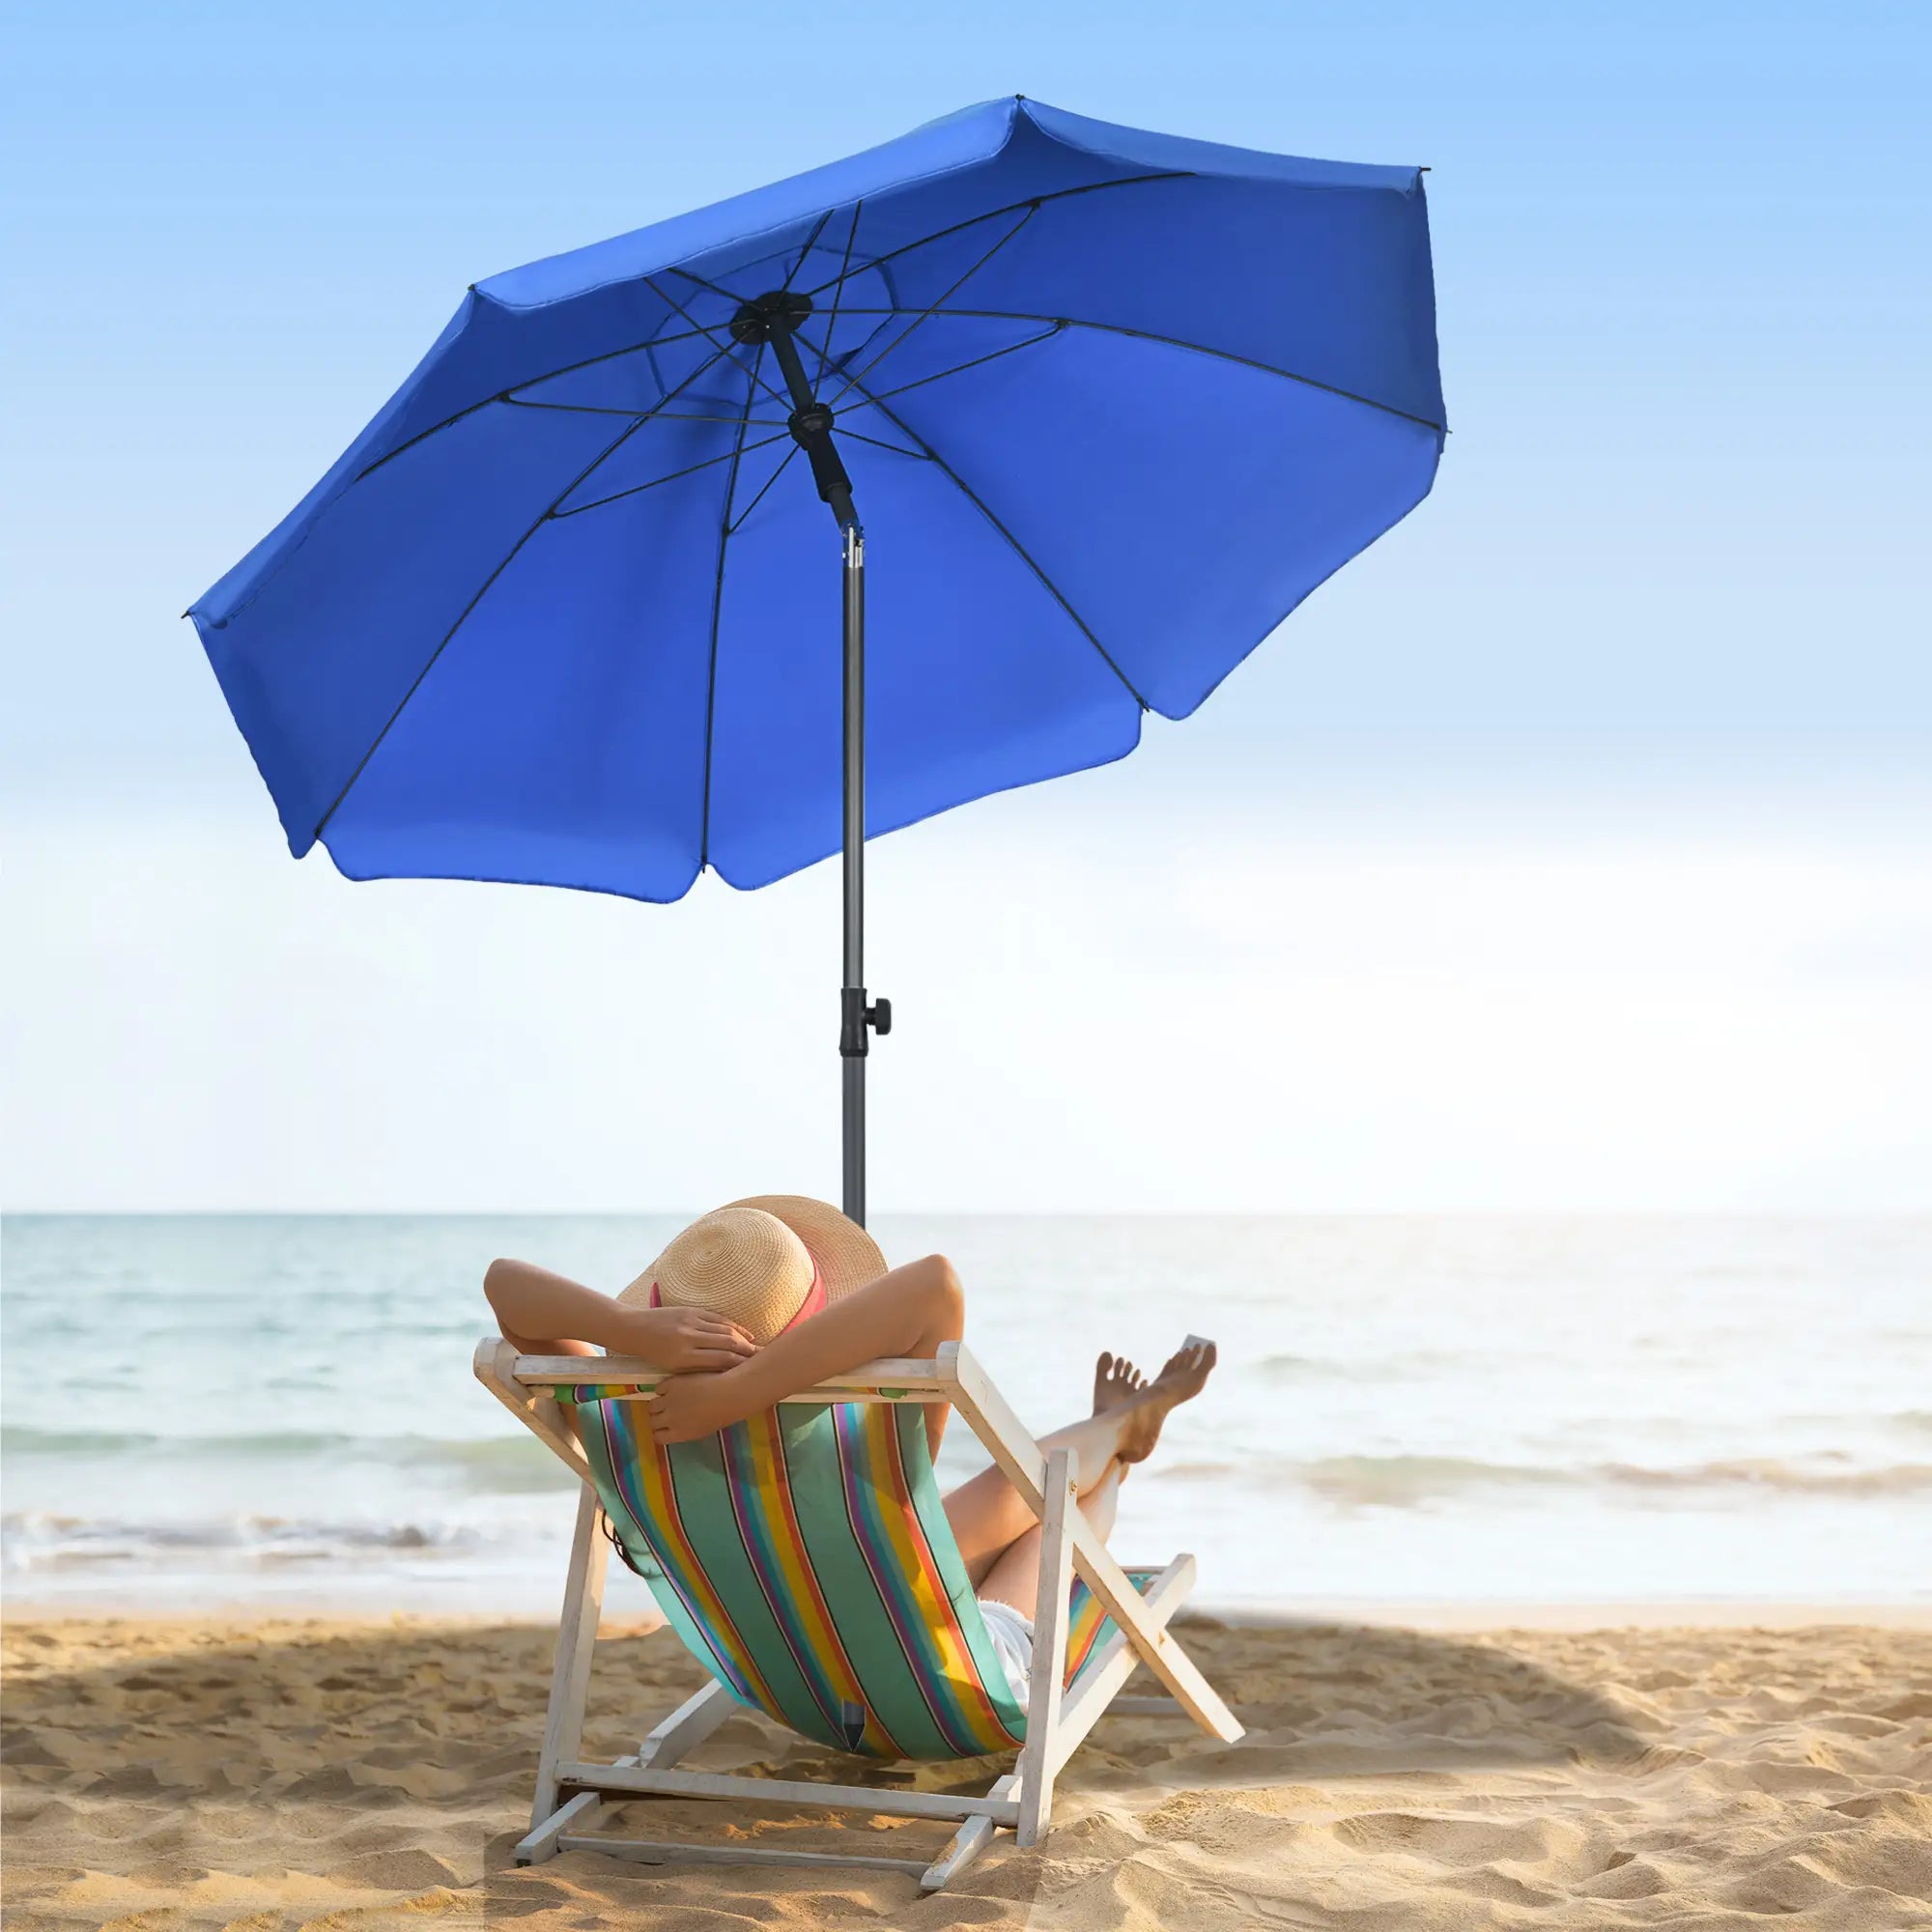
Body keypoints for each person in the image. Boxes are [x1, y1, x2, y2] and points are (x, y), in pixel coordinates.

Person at [483, 1194, 1215, 1702]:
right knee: (1060, 1505)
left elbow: (504, 1285)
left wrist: (628, 1332)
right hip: (939, 1675)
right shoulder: (847, 1444)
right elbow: (937, 1284)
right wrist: (744, 1392)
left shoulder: (620, 1425)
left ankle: (1123, 1423)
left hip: (786, 1672)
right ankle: (1123, 1440)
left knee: (1014, 1488)